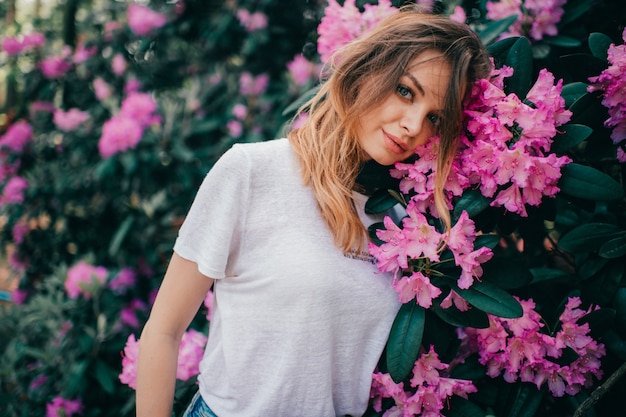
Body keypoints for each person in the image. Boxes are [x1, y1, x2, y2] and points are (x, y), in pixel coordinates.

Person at [136, 7, 491, 417]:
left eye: (435, 118)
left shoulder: (403, 226)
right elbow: (163, 331)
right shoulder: (252, 172)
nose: (414, 125)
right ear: (366, 72)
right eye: (406, 91)